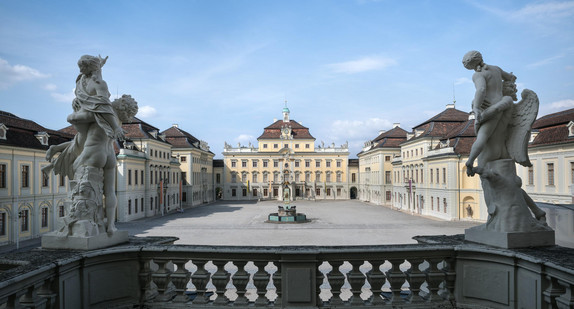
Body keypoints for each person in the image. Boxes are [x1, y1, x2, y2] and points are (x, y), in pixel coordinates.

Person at [45, 55, 137, 235]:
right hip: (109, 155)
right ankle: (110, 225)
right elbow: (80, 139)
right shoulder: (109, 117)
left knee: (79, 187)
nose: (111, 99)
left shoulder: (98, 114)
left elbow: (79, 140)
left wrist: (77, 111)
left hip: (93, 153)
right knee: (110, 191)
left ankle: (80, 221)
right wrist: (57, 148)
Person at [462, 51, 517, 176]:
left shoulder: (478, 75)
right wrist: (510, 82)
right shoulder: (496, 69)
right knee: (488, 134)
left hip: (489, 108)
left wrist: (475, 107)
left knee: (483, 136)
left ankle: (470, 161)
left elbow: (481, 89)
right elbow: (511, 78)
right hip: (500, 103)